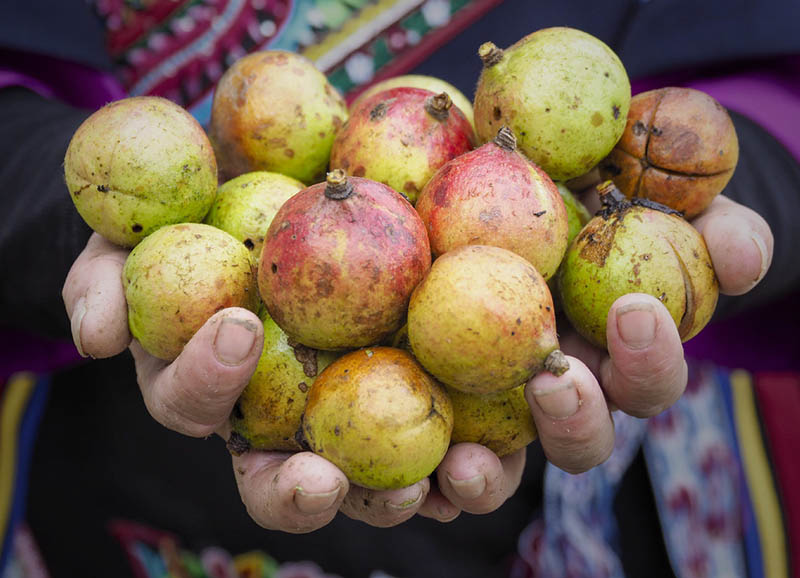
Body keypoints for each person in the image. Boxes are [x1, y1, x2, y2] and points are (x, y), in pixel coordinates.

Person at [1, 0, 798, 576]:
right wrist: (78, 226)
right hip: (127, 429)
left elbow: (771, 82)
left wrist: (733, 189)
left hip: (592, 411)